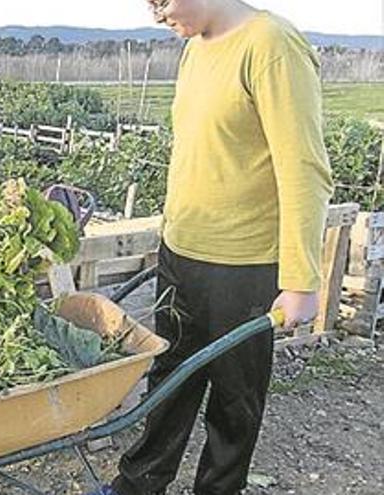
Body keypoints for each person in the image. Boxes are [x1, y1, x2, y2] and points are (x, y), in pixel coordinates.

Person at [88, 1, 334, 494]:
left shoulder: (270, 46)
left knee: (234, 399)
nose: (157, 16)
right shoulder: (194, 50)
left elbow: (303, 168)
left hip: (243, 264)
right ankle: (137, 486)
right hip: (182, 252)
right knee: (169, 380)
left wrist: (301, 280)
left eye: (162, 1)